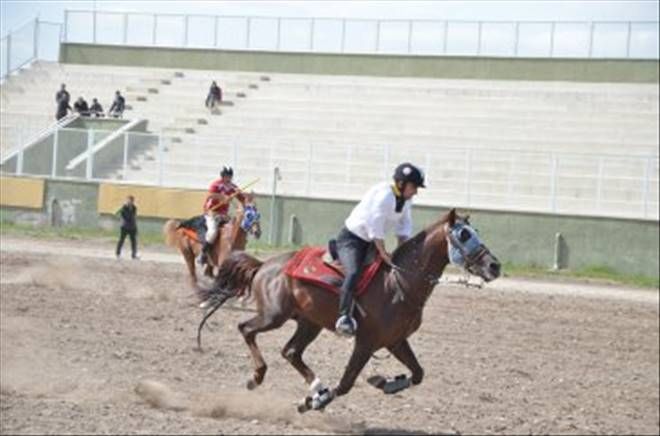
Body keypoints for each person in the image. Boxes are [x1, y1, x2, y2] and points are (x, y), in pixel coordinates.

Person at [334, 162, 425, 337]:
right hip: (351, 241)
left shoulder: (406, 200)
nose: (416, 191)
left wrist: (402, 250)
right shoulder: (384, 195)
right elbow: (375, 226)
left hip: (370, 243)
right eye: (414, 187)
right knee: (353, 273)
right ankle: (344, 317)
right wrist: (383, 253)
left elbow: (404, 226)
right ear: (401, 184)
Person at [198, 166, 246, 266]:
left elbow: (242, 198)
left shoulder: (232, 187)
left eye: (230, 177)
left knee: (232, 229)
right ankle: (203, 254)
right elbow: (210, 195)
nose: (229, 179)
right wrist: (222, 197)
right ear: (223, 177)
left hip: (223, 215)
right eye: (227, 177)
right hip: (211, 212)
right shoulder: (216, 185)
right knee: (213, 232)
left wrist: (245, 203)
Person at [115, 195, 139, 260]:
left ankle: (134, 255)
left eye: (131, 200)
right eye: (129, 200)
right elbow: (126, 217)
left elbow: (134, 218)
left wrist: (135, 227)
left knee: (134, 241)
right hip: (124, 227)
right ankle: (118, 254)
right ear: (127, 200)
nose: (130, 202)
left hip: (132, 227)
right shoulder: (124, 207)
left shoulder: (134, 208)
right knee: (121, 240)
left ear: (133, 201)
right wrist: (122, 210)